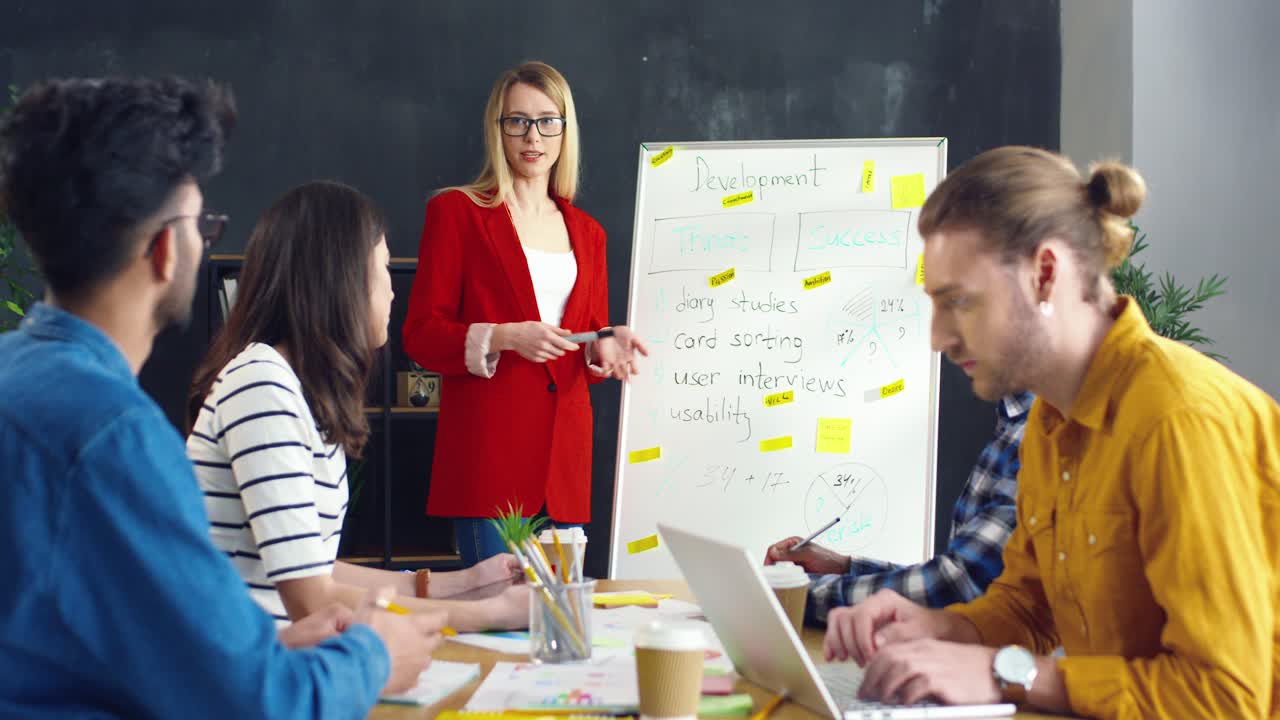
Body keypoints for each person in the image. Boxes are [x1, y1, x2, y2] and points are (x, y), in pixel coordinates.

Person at [0, 77, 442, 717]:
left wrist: (271, 646)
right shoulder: (115, 434)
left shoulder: (17, 371)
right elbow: (253, 705)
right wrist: (378, 656)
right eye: (204, 224)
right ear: (163, 250)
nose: (205, 241)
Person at [824, 146, 1280, 719]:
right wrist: (939, 627)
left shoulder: (1177, 420)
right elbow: (1028, 606)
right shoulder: (1050, 419)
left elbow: (1225, 698)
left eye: (958, 302)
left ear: (1044, 274)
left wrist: (1001, 673)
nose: (939, 337)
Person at [187, 180, 528, 630]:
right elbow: (311, 600)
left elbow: (316, 568)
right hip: (254, 671)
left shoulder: (291, 387)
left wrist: (463, 582)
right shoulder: (262, 387)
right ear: (343, 277)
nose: (391, 292)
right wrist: (487, 614)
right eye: (383, 269)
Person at [402, 61, 647, 565]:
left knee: (561, 628)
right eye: (517, 121)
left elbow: (581, 346)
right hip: (489, 462)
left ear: (565, 129)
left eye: (546, 120)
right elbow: (421, 335)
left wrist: (602, 347)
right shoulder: (457, 213)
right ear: (498, 129)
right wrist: (503, 336)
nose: (532, 136)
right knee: (494, 626)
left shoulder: (590, 233)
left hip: (565, 466)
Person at [765, 392, 1032, 619]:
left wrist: (793, 593)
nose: (940, 342)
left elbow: (959, 584)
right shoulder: (1014, 424)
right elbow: (958, 578)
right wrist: (843, 567)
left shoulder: (1032, 433)